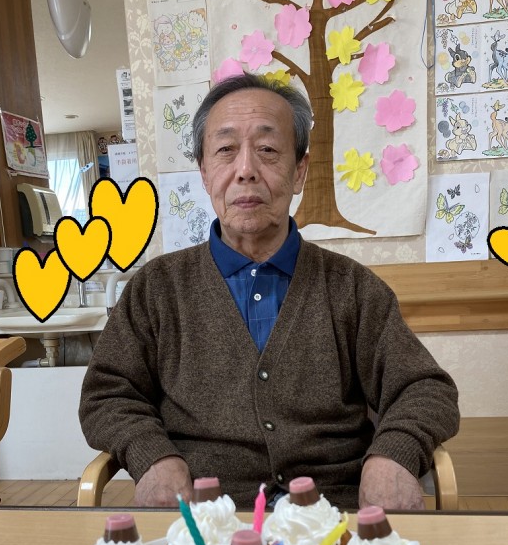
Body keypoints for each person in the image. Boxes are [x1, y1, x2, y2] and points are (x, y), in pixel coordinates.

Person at [79, 73, 459, 512]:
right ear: (204, 173)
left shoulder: (353, 288)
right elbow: (107, 394)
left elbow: (425, 388)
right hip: (203, 521)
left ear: (299, 171)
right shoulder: (157, 289)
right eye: (225, 150)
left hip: (334, 517)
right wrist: (152, 457)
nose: (245, 170)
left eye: (267, 150)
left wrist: (393, 454)